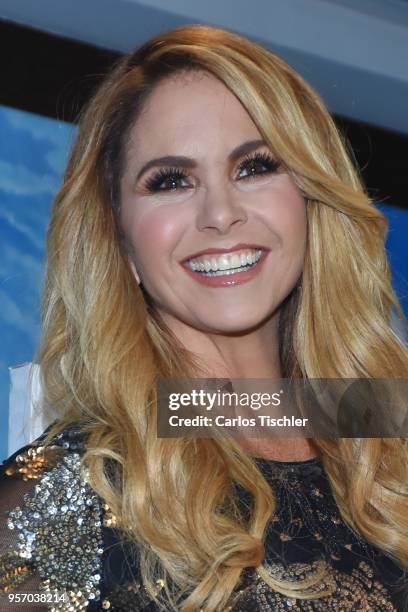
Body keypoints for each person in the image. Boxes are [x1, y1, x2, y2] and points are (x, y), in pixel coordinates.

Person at [1, 23, 408, 612]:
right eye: (170, 181)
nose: (220, 213)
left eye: (255, 167)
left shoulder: (377, 421)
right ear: (120, 241)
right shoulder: (61, 488)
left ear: (310, 199)